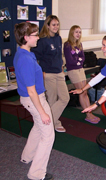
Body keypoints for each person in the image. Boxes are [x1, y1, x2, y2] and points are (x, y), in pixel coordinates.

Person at [14, 22, 54, 180]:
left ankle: (27, 156)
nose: (38, 37)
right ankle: (36, 174)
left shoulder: (25, 53)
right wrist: (43, 112)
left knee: (38, 128)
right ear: (26, 37)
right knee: (48, 136)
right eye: (35, 35)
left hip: (31, 98)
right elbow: (31, 91)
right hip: (35, 99)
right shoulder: (26, 59)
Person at [32, 15, 69, 132]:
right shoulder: (42, 41)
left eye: (57, 24)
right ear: (47, 25)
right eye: (53, 25)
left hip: (59, 73)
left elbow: (59, 56)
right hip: (48, 74)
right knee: (52, 100)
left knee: (65, 98)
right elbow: (34, 59)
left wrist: (62, 68)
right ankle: (54, 122)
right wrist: (41, 73)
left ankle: (48, 121)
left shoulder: (58, 38)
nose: (56, 27)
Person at [63, 25, 100, 124]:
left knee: (85, 92)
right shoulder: (67, 45)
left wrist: (78, 61)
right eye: (76, 32)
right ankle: (88, 115)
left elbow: (83, 57)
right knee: (81, 92)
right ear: (72, 33)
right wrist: (78, 61)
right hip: (73, 71)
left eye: (79, 32)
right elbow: (70, 61)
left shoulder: (79, 44)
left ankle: (90, 113)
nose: (78, 34)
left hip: (80, 69)